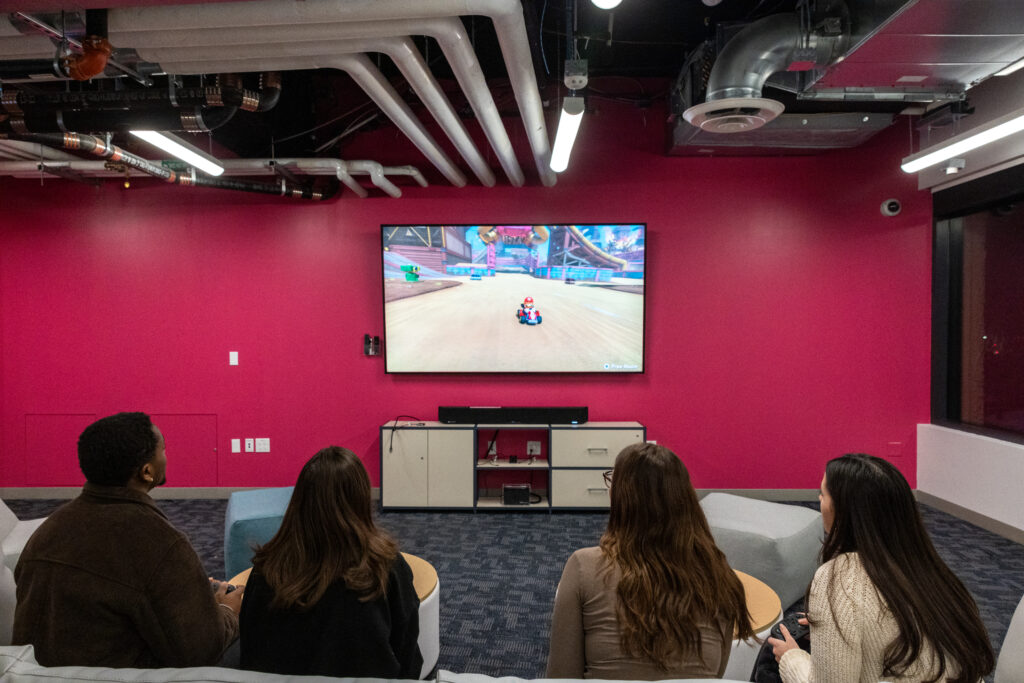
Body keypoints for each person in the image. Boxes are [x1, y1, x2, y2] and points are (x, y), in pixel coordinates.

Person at [13, 411, 242, 667]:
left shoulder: (48, 530)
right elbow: (202, 651)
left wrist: (191, 592)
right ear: (147, 472)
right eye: (163, 450)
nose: (166, 457)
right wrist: (227, 610)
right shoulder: (162, 544)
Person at [768, 453, 994, 683]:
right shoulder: (933, 572)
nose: (819, 500)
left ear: (843, 512)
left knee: (767, 662)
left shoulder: (837, 580)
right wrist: (832, 626)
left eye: (823, 494)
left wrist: (791, 658)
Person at [546, 442, 754, 679]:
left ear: (623, 496)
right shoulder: (719, 575)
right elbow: (714, 674)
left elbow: (561, 676)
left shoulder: (583, 566)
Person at [239, 446, 422, 678]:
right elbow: (408, 657)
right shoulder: (386, 568)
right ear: (361, 500)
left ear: (300, 500)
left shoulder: (265, 570)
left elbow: (250, 653)